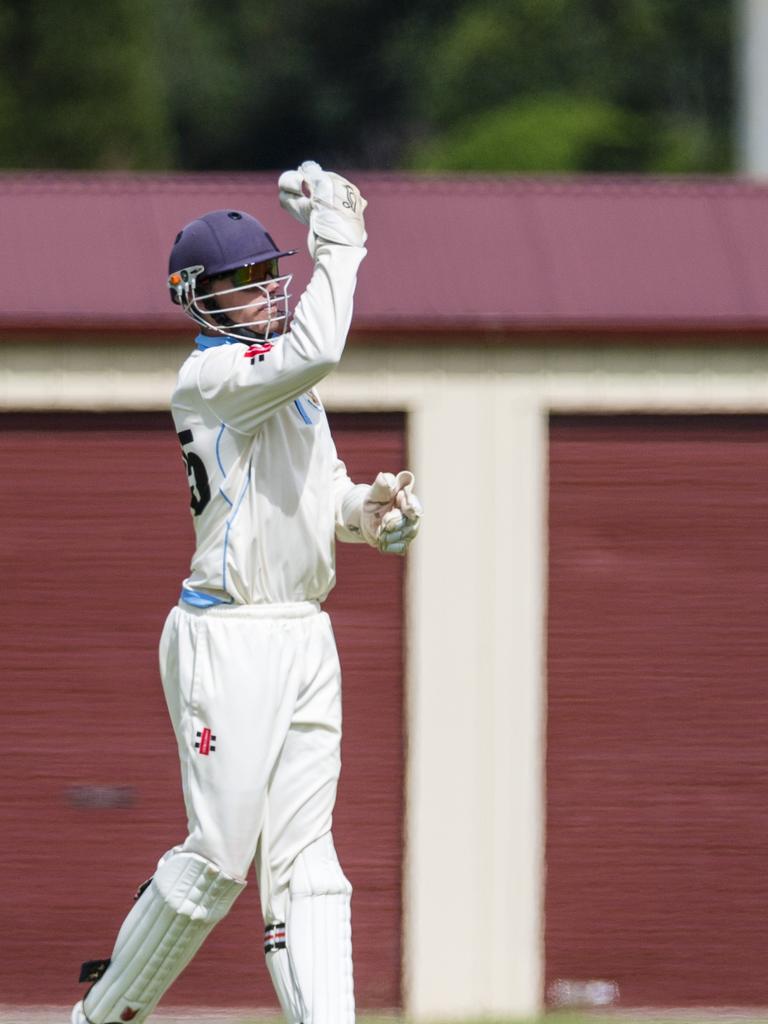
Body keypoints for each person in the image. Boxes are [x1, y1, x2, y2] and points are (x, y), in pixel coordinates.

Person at [71, 161, 422, 1024]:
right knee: (221, 858)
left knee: (307, 861)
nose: (263, 295)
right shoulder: (214, 380)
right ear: (196, 299)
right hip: (226, 637)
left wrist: (372, 514)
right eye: (241, 286)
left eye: (271, 278)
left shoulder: (287, 388)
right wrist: (341, 236)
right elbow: (320, 347)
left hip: (305, 632)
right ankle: (100, 1018)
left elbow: (324, 492)